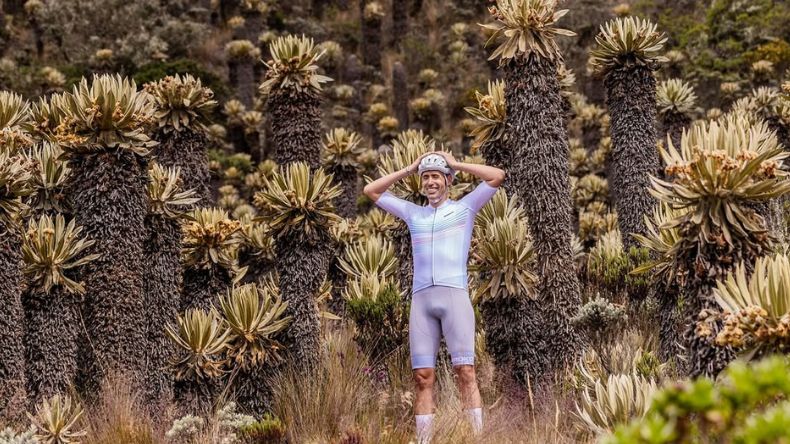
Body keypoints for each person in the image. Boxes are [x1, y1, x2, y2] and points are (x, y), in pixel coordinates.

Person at [363, 151, 505, 442]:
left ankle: (476, 438)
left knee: (465, 371)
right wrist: (409, 168)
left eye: (436, 176)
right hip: (422, 302)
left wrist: (455, 164)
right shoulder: (413, 213)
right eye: (426, 177)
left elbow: (497, 176)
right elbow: (371, 190)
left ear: (448, 181)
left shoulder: (465, 208)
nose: (430, 182)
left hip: (454, 298)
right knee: (422, 377)